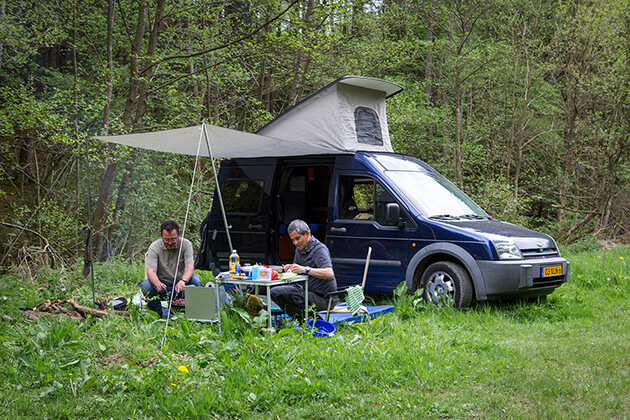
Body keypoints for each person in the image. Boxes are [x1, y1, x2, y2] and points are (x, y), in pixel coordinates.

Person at [271, 219, 337, 321]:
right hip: (305, 289)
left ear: (307, 233)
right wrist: (290, 269)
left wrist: (305, 269)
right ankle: (308, 322)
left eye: (297, 238)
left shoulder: (319, 249)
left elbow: (329, 273)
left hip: (324, 297)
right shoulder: (299, 250)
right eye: (292, 240)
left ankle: (315, 323)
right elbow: (298, 271)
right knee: (274, 292)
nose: (295, 243)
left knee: (287, 296)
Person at [140, 220, 202, 317]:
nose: (170, 243)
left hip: (180, 286)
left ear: (178, 235)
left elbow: (190, 268)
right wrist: (157, 284)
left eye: (173, 239)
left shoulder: (186, 244)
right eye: (166, 240)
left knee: (196, 281)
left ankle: (193, 313)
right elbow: (151, 271)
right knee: (146, 285)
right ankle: (156, 313)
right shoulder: (154, 247)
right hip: (163, 287)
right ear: (161, 236)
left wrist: (183, 281)